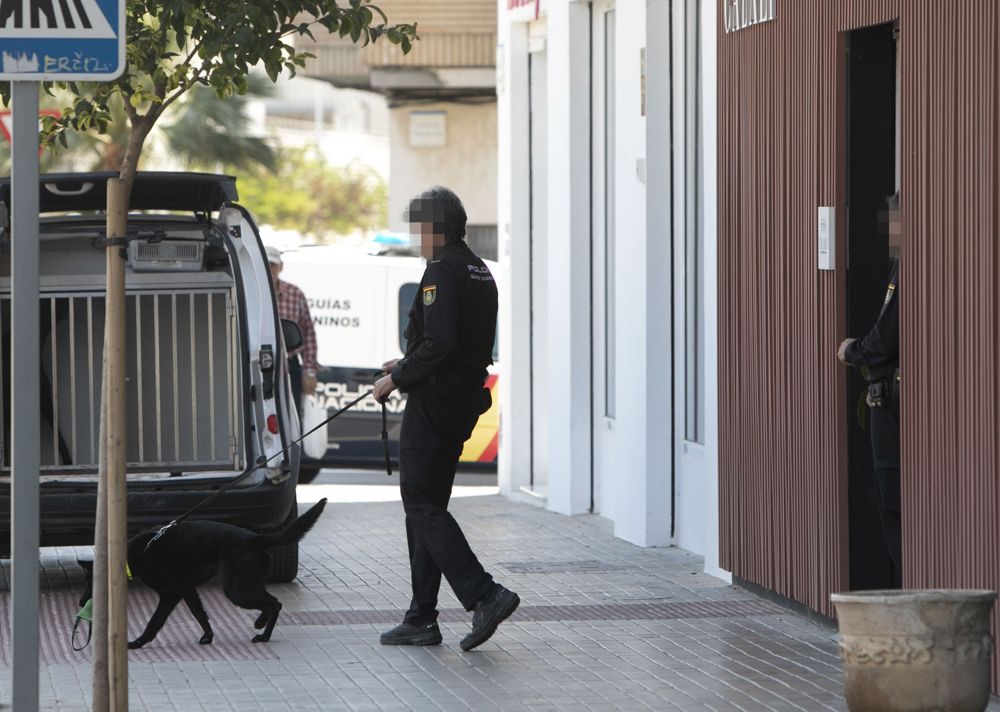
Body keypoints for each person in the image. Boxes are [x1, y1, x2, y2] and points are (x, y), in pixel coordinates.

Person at [373, 186, 519, 651]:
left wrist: (396, 380)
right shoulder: (480, 270)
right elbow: (455, 344)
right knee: (427, 506)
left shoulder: (441, 270)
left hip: (435, 406)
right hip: (459, 401)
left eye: (419, 228)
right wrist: (403, 365)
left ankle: (484, 594)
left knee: (420, 500)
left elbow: (440, 345)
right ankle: (421, 618)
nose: (416, 238)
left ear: (435, 228)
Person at [837, 192, 902, 585]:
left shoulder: (907, 268)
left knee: (892, 503)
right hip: (887, 401)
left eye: (894, 221)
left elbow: (886, 339)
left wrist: (852, 350)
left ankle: (903, 594)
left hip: (890, 406)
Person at [266, 245, 319, 418]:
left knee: (291, 418)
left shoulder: (295, 294)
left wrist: (309, 372)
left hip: (290, 365)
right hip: (259, 366)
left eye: (273, 265)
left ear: (281, 267)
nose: (269, 269)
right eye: (265, 264)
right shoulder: (250, 293)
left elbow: (308, 334)